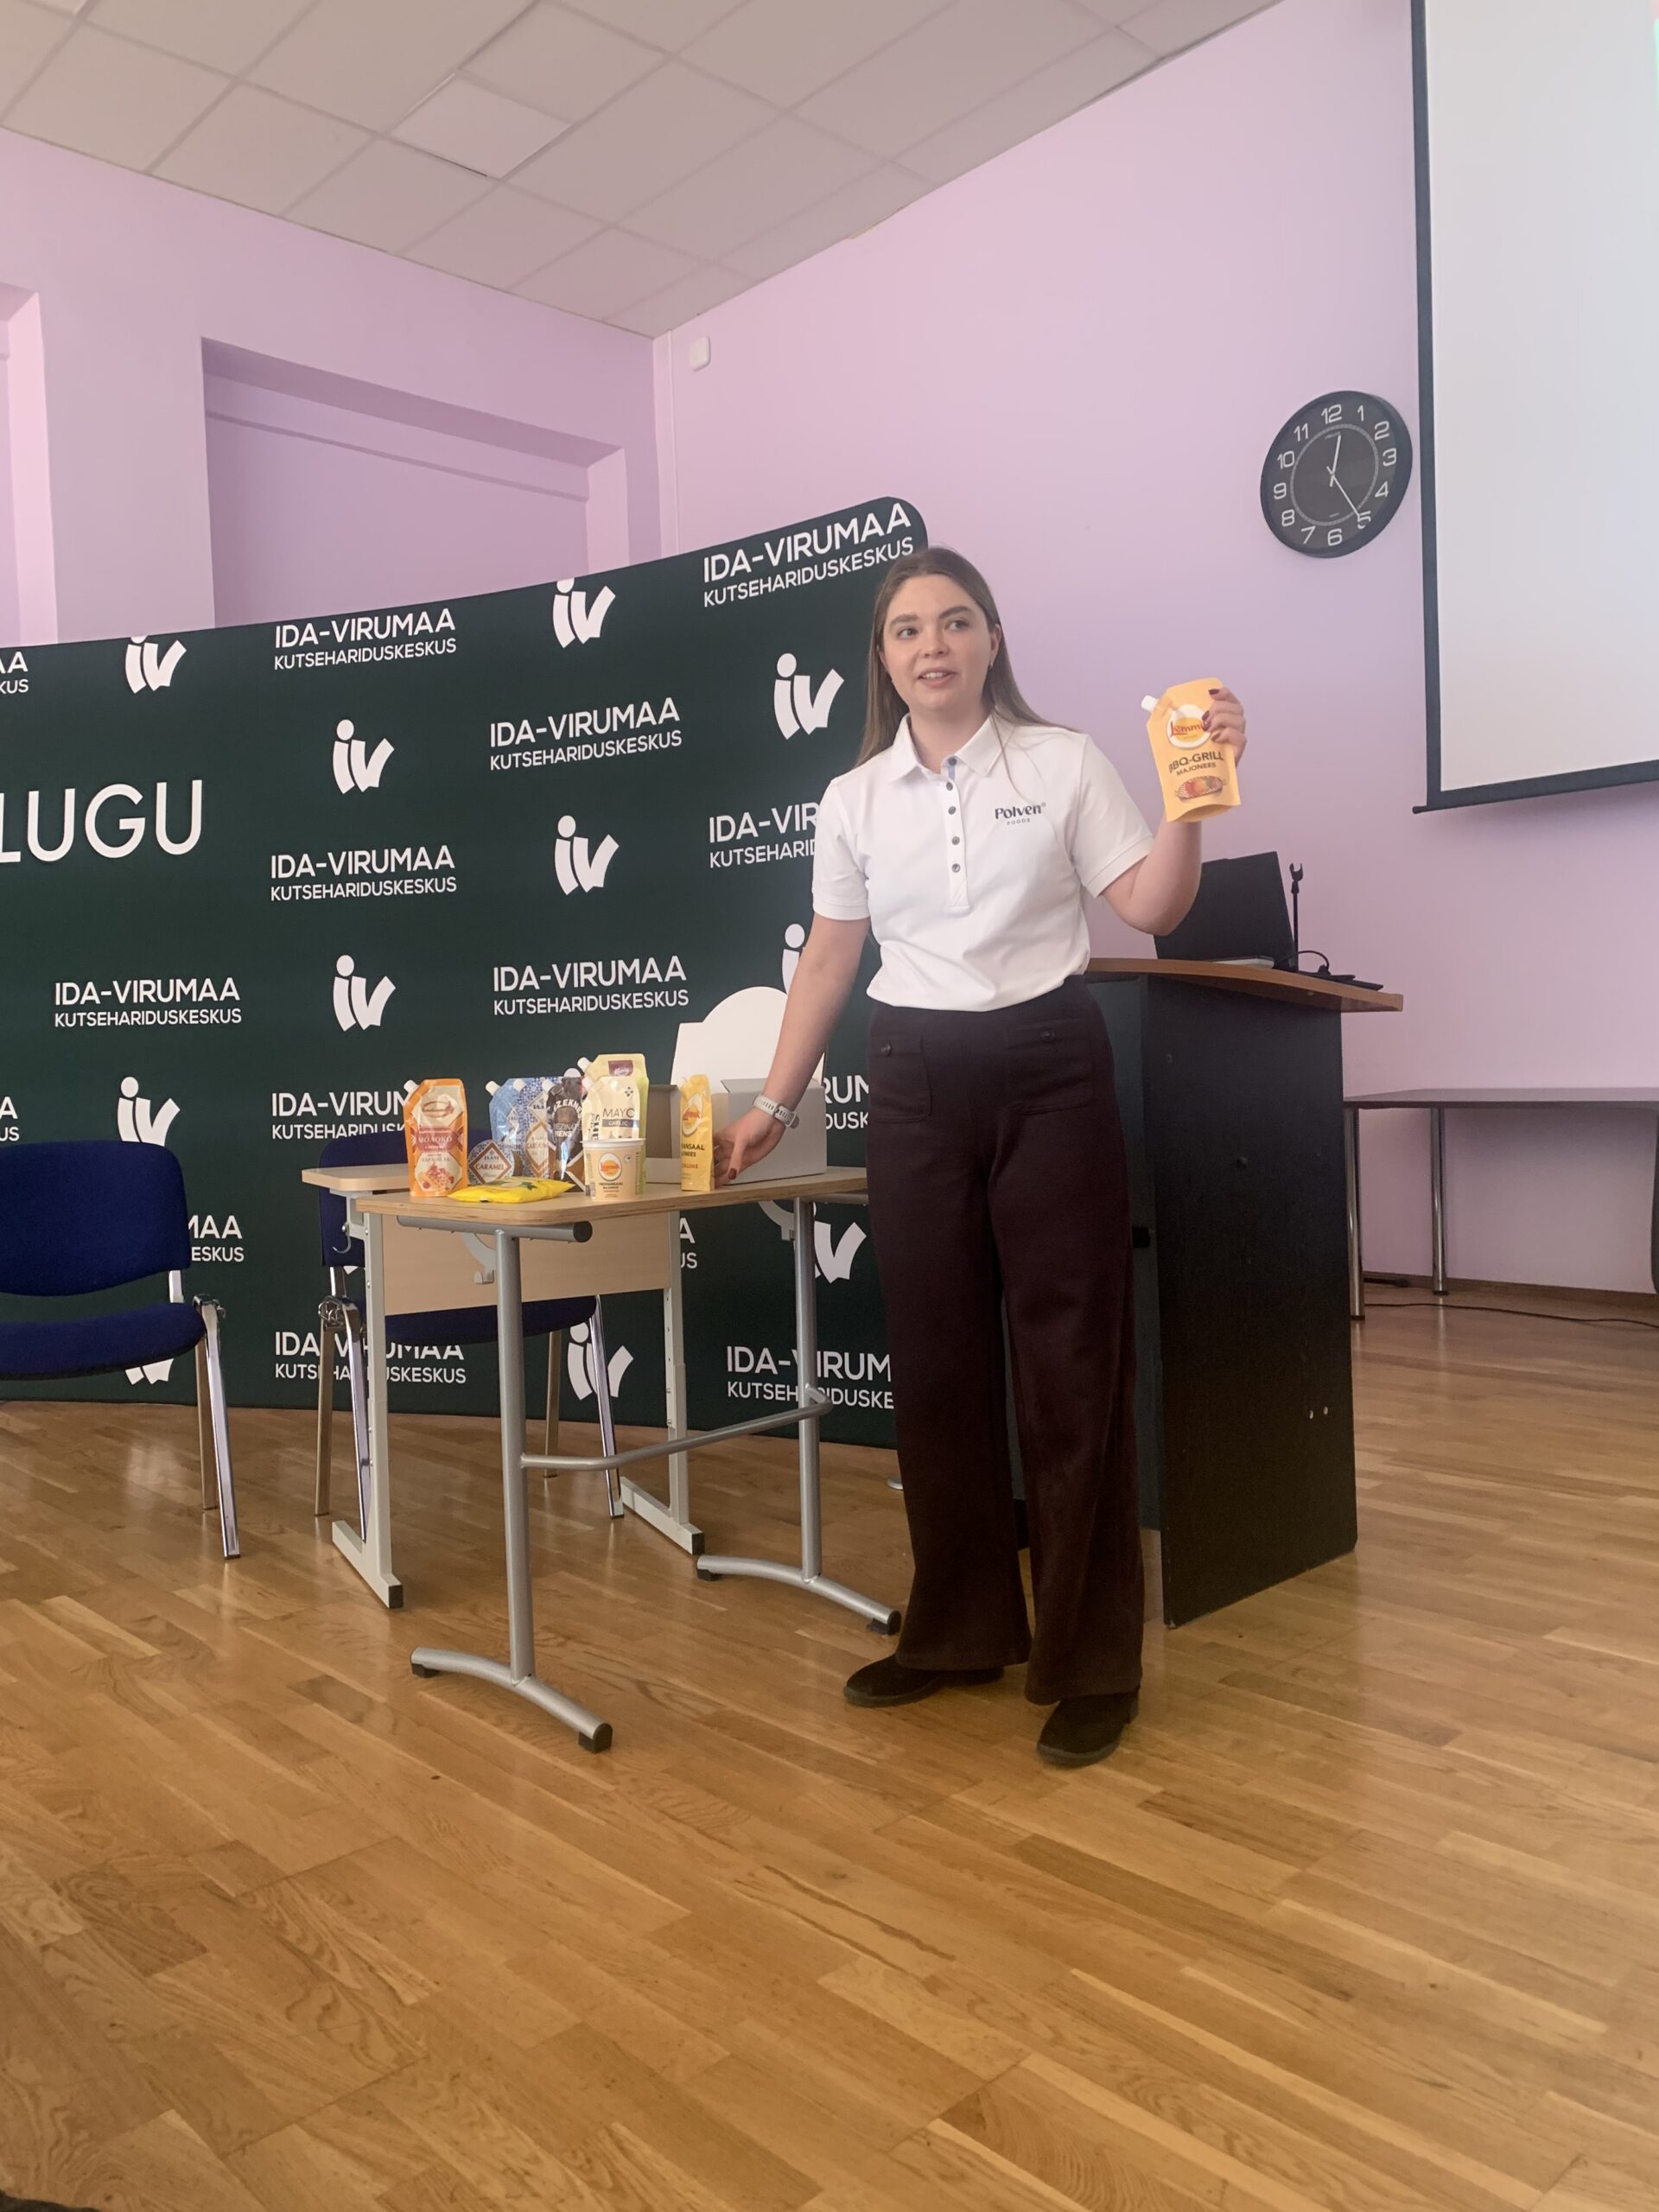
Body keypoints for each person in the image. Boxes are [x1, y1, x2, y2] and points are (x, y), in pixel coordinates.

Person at [715, 548, 1247, 1767]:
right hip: (912, 1076)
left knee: (1071, 1363)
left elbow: (1152, 908)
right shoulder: (855, 797)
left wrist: (1191, 800)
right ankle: (957, 1632)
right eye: (908, 630)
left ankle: (1091, 1662)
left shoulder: (1062, 762)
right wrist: (777, 1102)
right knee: (938, 1364)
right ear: (884, 657)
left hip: (1051, 1066)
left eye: (955, 622)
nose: (933, 646)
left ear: (992, 639)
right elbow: (830, 958)